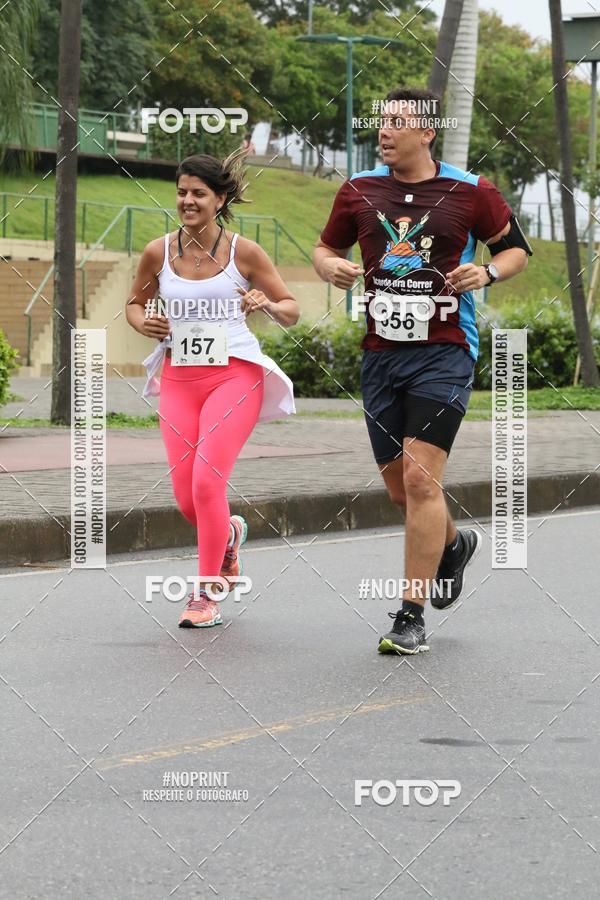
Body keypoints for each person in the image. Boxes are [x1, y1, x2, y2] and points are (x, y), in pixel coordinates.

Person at [313, 87, 532, 655]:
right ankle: (454, 546)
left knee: (419, 479)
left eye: (397, 123)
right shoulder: (359, 189)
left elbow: (515, 251)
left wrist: (485, 274)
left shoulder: (469, 190)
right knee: (398, 491)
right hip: (381, 355)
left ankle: (410, 616)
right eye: (381, 122)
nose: (384, 131)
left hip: (445, 350)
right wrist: (333, 266)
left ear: (428, 131)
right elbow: (323, 248)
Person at [126, 150, 299, 628]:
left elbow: (291, 308)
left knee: (207, 483)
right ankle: (227, 538)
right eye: (181, 192)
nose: (187, 200)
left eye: (198, 193)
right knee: (186, 499)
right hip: (179, 377)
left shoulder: (244, 251)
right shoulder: (157, 252)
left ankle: (206, 596)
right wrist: (147, 323)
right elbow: (134, 305)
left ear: (220, 199)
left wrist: (266, 302)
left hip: (233, 373)